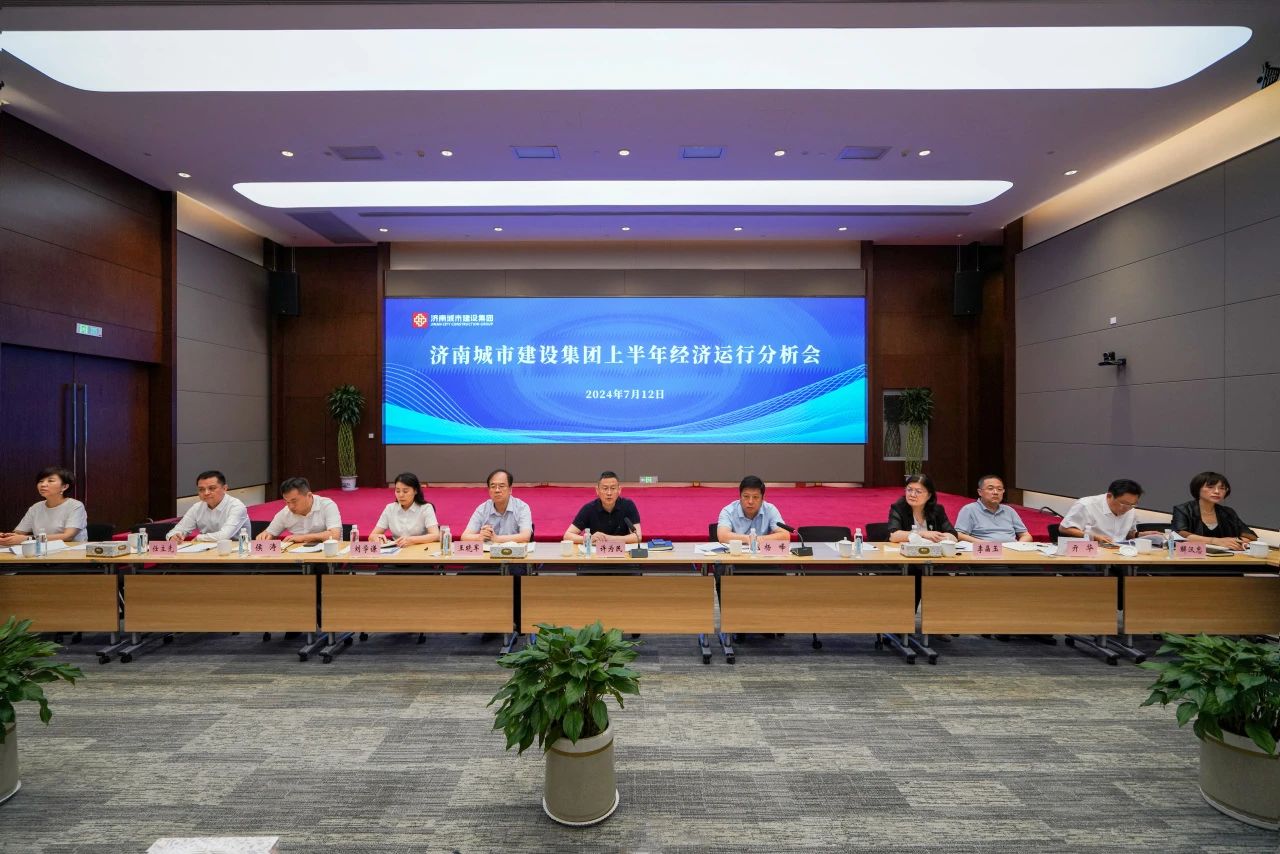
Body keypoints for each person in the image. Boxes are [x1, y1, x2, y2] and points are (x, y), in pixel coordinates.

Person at [0, 466, 88, 545]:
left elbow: (68, 536)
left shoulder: (75, 506)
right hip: (41, 552)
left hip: (71, 553)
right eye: (40, 481)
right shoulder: (36, 507)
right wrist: (7, 537)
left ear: (64, 487)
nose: (43, 484)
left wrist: (28, 539)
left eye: (50, 481)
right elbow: (19, 533)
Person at [1171, 471, 1257, 550]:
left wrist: (1234, 541)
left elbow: (1251, 536)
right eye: (1210, 487)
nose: (1217, 491)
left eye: (1222, 488)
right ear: (1197, 489)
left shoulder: (1228, 512)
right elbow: (1179, 534)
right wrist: (1216, 541)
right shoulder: (1183, 509)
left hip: (1226, 557)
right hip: (1193, 557)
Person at [166, 470, 250, 542]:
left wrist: (199, 538)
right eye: (201, 489)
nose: (206, 493)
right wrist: (174, 537)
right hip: (206, 550)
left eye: (212, 488)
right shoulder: (197, 507)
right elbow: (177, 531)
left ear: (224, 488)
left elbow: (224, 535)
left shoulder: (237, 506)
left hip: (237, 551)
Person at [256, 477, 342, 544]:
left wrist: (303, 537)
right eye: (287, 502)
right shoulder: (286, 512)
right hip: (298, 556)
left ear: (309, 495)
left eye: (294, 501)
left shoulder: (327, 505)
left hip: (328, 554)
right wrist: (265, 536)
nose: (290, 506)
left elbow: (334, 535)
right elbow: (269, 533)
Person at [564, 471, 641, 545]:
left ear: (619, 490)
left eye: (613, 488)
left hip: (623, 552)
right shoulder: (589, 509)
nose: (609, 493)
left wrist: (608, 538)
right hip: (596, 552)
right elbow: (567, 535)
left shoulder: (628, 505)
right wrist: (589, 538)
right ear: (597, 490)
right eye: (605, 488)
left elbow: (637, 536)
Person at [1058, 478, 1142, 545]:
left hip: (1121, 553)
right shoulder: (1087, 505)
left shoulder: (1131, 509)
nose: (1127, 508)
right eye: (1124, 503)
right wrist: (1093, 537)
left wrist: (1139, 535)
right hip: (1091, 552)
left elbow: (1125, 534)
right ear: (1109, 496)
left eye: (1132, 504)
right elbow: (1064, 528)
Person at [461, 468, 532, 543]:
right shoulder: (482, 509)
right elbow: (464, 537)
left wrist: (497, 539)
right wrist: (480, 537)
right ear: (489, 490)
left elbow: (526, 537)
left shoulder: (522, 507)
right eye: (493, 486)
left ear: (510, 489)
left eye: (501, 486)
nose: (497, 490)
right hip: (489, 550)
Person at [955, 475, 1033, 543]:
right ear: (980, 492)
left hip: (1011, 550)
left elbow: (1026, 535)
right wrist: (984, 543)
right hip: (985, 550)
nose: (995, 492)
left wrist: (1018, 545)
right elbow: (959, 534)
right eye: (990, 488)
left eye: (999, 489)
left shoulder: (1009, 510)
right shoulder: (969, 509)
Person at [369, 472, 439, 547]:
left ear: (415, 491)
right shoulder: (390, 508)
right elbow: (372, 536)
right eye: (397, 491)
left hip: (421, 548)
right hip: (396, 550)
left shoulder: (426, 508)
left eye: (405, 491)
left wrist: (412, 540)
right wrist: (376, 538)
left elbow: (435, 535)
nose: (401, 495)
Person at [716, 475, 790, 543]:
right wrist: (751, 539)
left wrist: (757, 539)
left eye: (755, 497)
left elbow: (785, 536)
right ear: (740, 497)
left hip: (761, 553)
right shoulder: (728, 511)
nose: (750, 501)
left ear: (762, 499)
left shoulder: (770, 510)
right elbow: (722, 536)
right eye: (746, 496)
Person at [887, 474, 957, 543]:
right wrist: (922, 534)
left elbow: (953, 535)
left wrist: (940, 537)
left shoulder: (937, 510)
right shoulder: (899, 508)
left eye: (918, 491)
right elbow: (893, 535)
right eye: (909, 490)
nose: (912, 495)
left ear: (929, 495)